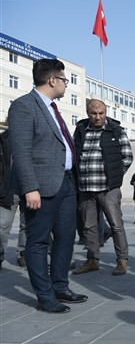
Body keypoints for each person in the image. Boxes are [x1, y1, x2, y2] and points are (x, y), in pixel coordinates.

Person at [8, 58, 86, 313]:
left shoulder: (53, 108)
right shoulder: (23, 106)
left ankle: (60, 287)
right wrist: (30, 188)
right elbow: (20, 151)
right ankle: (44, 296)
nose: (66, 85)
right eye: (65, 80)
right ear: (53, 80)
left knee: (65, 238)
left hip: (65, 183)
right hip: (40, 187)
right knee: (39, 241)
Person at [72, 99, 133, 276]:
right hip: (85, 188)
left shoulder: (115, 130)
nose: (97, 117)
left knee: (116, 225)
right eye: (93, 113)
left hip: (108, 189)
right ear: (87, 113)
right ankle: (92, 260)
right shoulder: (81, 129)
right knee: (88, 226)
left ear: (105, 112)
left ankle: (122, 260)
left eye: (101, 113)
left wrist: (114, 177)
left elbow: (127, 157)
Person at [0, 130, 26, 269]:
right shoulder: (3, 138)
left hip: (29, 188)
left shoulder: (31, 135)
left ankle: (22, 254)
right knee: (2, 226)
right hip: (8, 189)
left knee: (26, 225)